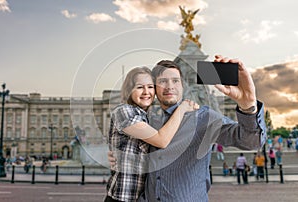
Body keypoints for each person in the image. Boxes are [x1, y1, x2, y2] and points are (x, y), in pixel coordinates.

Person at [109, 55, 266, 201]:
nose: (170, 86)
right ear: (154, 88)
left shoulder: (204, 118)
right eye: (162, 81)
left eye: (175, 81)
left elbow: (250, 141)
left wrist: (248, 106)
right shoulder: (148, 121)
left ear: (183, 86)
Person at [105, 67, 197, 202]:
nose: (146, 92)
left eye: (150, 87)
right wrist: (182, 108)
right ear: (129, 90)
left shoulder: (148, 116)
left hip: (143, 197)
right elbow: (161, 140)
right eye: (139, 87)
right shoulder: (123, 111)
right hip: (123, 197)